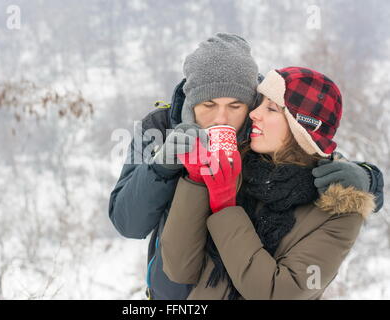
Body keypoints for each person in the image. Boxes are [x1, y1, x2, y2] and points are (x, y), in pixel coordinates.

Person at [108, 33, 384, 300]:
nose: (221, 118)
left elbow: (309, 146)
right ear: (191, 101)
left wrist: (369, 178)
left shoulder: (258, 132)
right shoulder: (158, 127)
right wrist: (161, 168)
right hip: (169, 290)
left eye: (236, 105)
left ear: (251, 103)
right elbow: (128, 223)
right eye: (208, 104)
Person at [161, 66, 378, 299]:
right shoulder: (237, 168)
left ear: (301, 129)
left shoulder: (339, 211)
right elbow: (179, 268)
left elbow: (278, 293)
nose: (254, 113)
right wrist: (196, 182)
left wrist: (225, 208)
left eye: (271, 108)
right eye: (260, 102)